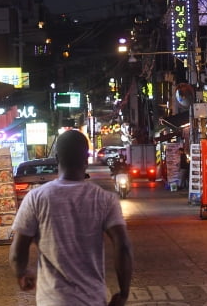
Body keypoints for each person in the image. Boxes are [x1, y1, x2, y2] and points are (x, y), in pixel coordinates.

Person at [9, 129, 133, 306]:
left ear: (58, 159)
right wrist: (124, 293)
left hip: (52, 300)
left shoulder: (36, 198)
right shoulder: (105, 199)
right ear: (86, 159)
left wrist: (21, 273)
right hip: (93, 300)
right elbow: (123, 247)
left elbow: (17, 251)